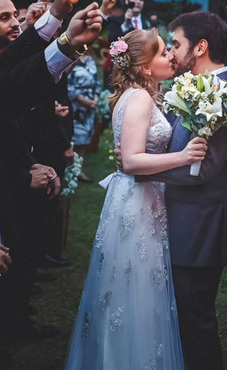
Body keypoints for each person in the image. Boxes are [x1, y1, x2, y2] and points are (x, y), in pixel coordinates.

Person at [65, 28, 207, 369]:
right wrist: (184, 157)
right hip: (139, 200)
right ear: (145, 67)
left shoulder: (141, 93)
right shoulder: (140, 98)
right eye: (162, 53)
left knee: (132, 287)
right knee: (135, 288)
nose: (170, 56)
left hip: (142, 199)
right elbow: (130, 161)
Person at [148, 11, 227, 369]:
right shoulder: (195, 87)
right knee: (182, 318)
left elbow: (202, 170)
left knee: (196, 323)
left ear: (201, 47)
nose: (172, 52)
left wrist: (146, 175)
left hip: (201, 227)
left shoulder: (223, 96)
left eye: (176, 44)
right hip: (183, 221)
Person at [67, 52, 99, 181]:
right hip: (77, 107)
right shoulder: (71, 59)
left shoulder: (90, 60)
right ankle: (70, 171)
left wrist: (95, 98)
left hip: (90, 107)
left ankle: (78, 169)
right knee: (75, 139)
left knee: (85, 138)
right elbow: (68, 84)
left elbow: (96, 80)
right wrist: (83, 100)